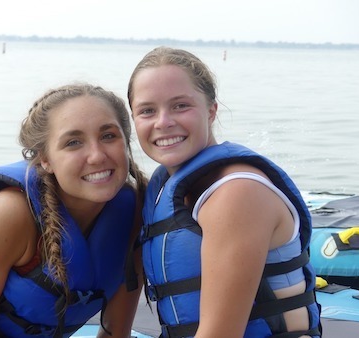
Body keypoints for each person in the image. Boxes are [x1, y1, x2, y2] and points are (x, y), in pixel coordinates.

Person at [127, 47, 322, 338]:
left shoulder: (237, 193)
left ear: (211, 110)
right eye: (147, 111)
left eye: (180, 106)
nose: (163, 122)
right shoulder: (162, 187)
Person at [0, 83, 147, 337]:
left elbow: (116, 332)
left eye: (108, 135)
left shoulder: (132, 214)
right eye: (73, 142)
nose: (97, 156)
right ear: (45, 159)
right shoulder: (7, 215)